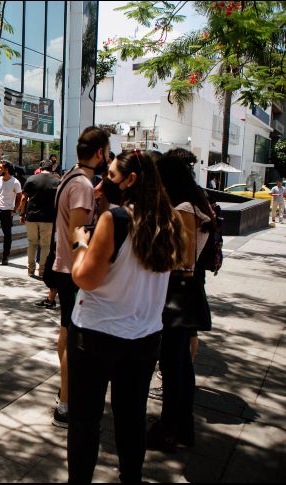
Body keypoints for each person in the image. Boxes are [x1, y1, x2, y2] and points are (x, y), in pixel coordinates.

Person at [67, 149, 185, 483]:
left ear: (130, 180)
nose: (102, 186)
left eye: (111, 177)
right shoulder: (169, 221)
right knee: (131, 417)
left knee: (84, 421)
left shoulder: (116, 220)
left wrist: (79, 243)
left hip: (96, 335)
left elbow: (85, 277)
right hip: (145, 337)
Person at [148, 148, 217, 453]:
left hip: (179, 294)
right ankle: (180, 427)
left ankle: (169, 430)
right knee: (180, 366)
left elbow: (184, 261)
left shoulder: (185, 208)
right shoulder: (192, 203)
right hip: (185, 293)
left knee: (174, 366)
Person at [52, 126, 111, 429]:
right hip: (71, 270)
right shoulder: (82, 186)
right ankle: (66, 405)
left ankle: (65, 393)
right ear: (100, 152)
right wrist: (84, 271)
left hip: (64, 268)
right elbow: (78, 231)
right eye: (108, 150)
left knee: (66, 333)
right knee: (73, 340)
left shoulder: (73, 178)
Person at [19, 159, 60, 280]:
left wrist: (22, 214)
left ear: (40, 168)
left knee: (32, 243)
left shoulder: (31, 179)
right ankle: (42, 271)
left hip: (31, 216)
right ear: (52, 168)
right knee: (46, 245)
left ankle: (30, 269)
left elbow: (23, 198)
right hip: (48, 218)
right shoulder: (57, 181)